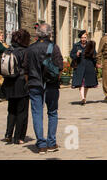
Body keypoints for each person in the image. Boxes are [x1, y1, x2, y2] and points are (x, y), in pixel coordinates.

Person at [24, 23, 63, 154]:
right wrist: (56, 80)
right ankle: (51, 143)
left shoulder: (30, 49)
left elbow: (25, 70)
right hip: (51, 84)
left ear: (37, 34)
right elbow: (60, 68)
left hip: (34, 84)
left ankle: (41, 144)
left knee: (37, 113)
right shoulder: (54, 47)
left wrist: (29, 82)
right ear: (50, 33)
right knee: (52, 112)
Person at [2, 29, 31, 144]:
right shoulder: (25, 51)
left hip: (9, 83)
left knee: (11, 110)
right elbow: (27, 68)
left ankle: (8, 134)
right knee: (22, 111)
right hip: (21, 83)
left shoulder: (8, 49)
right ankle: (19, 137)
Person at [71, 32, 98, 105]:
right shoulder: (76, 45)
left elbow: (95, 55)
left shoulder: (90, 45)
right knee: (81, 83)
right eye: (82, 37)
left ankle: (84, 97)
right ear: (80, 38)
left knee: (86, 84)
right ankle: (82, 98)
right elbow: (71, 55)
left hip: (89, 66)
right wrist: (76, 55)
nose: (83, 39)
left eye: (85, 37)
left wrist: (96, 64)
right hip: (79, 66)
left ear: (87, 38)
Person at [0, 30, 9, 101]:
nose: (2, 37)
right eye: (1, 35)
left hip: (1, 61)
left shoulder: (1, 43)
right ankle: (0, 94)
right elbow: (3, 49)